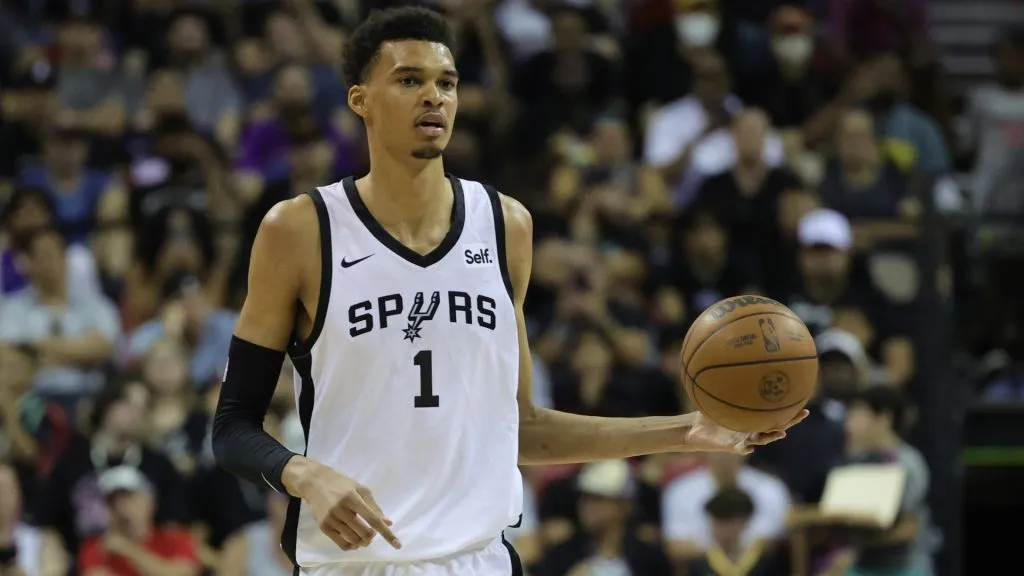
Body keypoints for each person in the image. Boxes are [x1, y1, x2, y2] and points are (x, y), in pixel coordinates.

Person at [211, 7, 807, 575]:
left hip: (480, 559)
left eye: (447, 83)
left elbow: (520, 428)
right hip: (351, 561)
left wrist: (685, 430)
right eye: (409, 80)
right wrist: (302, 474)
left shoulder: (504, 227)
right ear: (360, 100)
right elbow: (233, 426)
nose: (433, 97)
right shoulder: (300, 229)